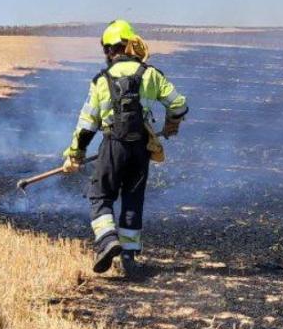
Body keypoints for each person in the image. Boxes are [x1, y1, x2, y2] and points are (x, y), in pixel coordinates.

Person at [62, 20, 188, 276]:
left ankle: (108, 241)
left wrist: (75, 154)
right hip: (141, 149)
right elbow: (179, 105)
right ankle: (129, 258)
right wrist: (172, 124)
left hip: (112, 146)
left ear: (109, 50)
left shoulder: (101, 81)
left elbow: (87, 125)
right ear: (131, 45)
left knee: (100, 195)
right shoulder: (151, 74)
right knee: (132, 200)